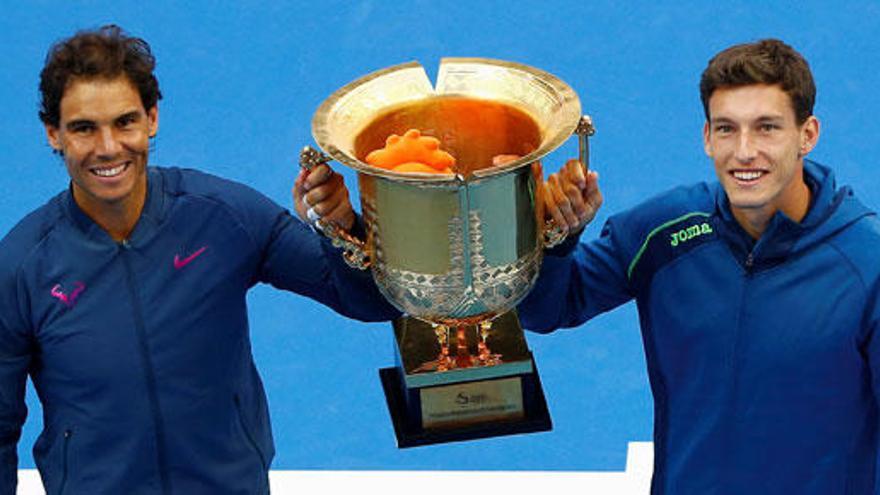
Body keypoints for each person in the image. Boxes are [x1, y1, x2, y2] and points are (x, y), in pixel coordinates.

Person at [0, 25, 399, 494]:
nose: (108, 147)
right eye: (84, 128)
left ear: (152, 118)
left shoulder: (224, 217)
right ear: (54, 134)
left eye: (125, 121)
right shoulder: (21, 268)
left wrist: (341, 228)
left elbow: (368, 301)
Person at [518, 39, 880, 494]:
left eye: (767, 128)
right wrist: (557, 240)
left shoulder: (866, 266)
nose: (745, 151)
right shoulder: (664, 233)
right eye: (727, 129)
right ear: (707, 137)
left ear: (807, 134)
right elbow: (548, 309)